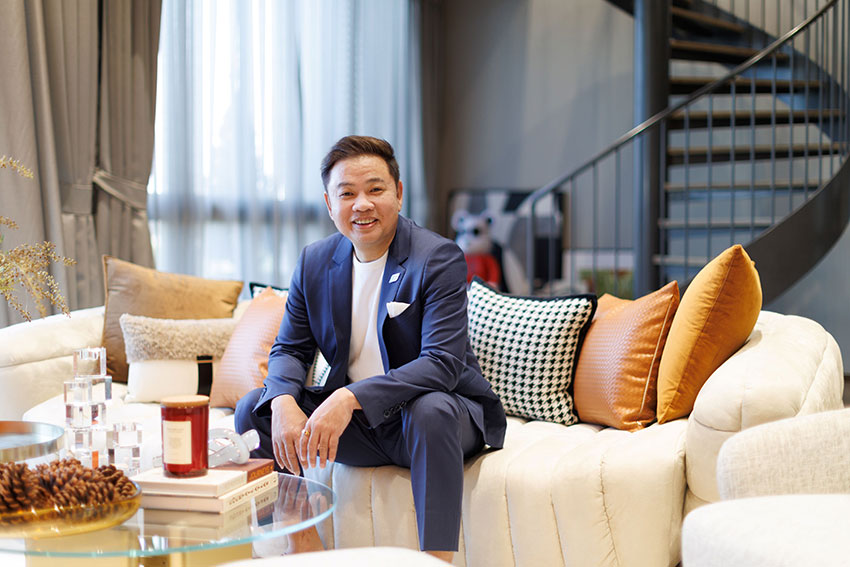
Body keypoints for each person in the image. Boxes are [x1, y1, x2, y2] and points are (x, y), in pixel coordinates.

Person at [235, 135, 506, 562]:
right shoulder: (314, 262)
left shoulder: (437, 257)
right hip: (363, 426)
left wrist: (349, 397)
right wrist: (284, 400)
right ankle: (300, 545)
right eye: (347, 194)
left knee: (431, 409)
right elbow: (290, 348)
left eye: (375, 189)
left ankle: (435, 560)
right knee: (256, 409)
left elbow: (442, 364)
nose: (362, 204)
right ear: (330, 204)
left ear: (398, 193)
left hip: (436, 420)